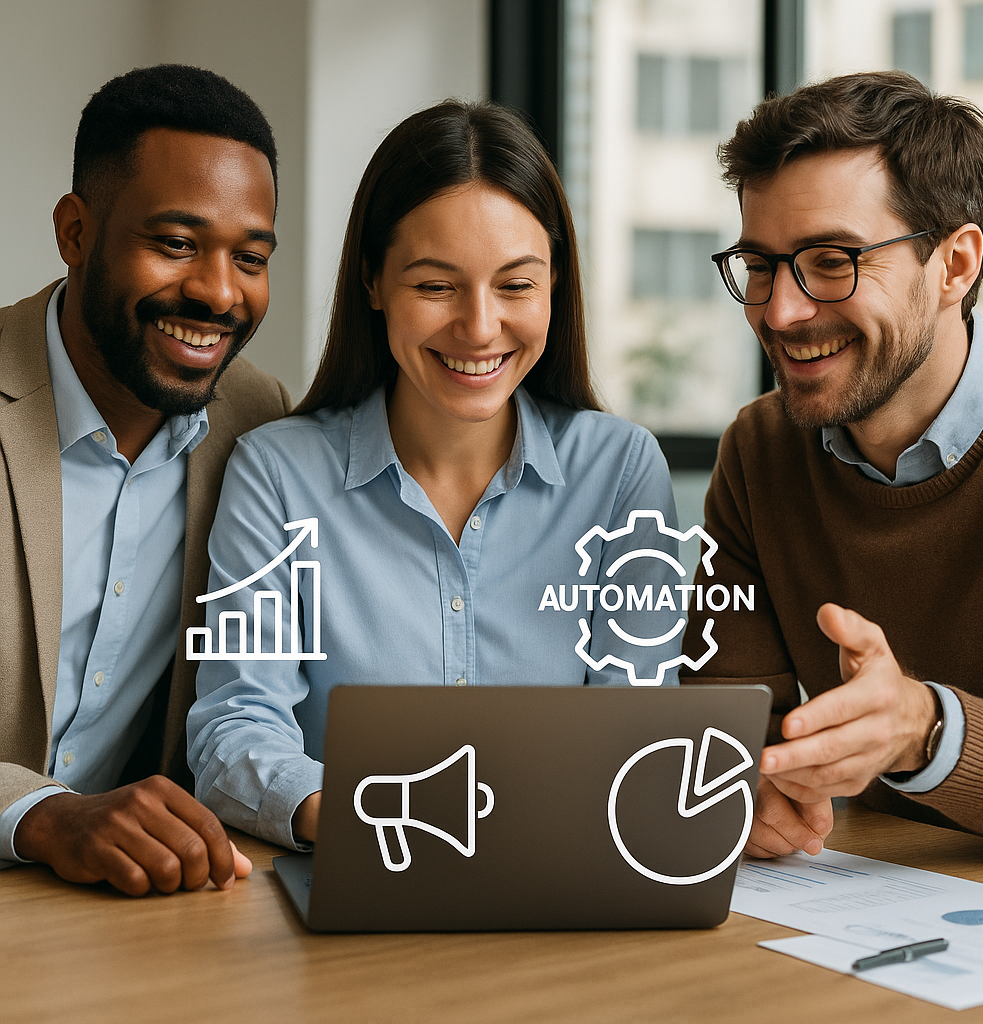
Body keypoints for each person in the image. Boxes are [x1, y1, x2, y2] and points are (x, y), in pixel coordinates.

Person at [187, 100, 680, 850]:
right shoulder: (276, 473)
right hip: (357, 864)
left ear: (555, 285)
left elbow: (640, 731)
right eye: (435, 286)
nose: (479, 328)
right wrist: (373, 816)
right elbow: (234, 725)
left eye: (516, 286)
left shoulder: (621, 473)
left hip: (561, 875)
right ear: (373, 282)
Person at [679, 70, 983, 854]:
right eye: (760, 265)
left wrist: (925, 731)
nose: (780, 310)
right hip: (865, 891)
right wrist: (746, 784)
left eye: (832, 260)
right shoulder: (761, 451)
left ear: (956, 264)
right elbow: (727, 722)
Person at [0, 65, 291, 894]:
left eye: (250, 257)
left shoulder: (259, 423)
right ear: (75, 232)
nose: (218, 293)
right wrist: (42, 816)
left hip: (130, 913)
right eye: (175, 244)